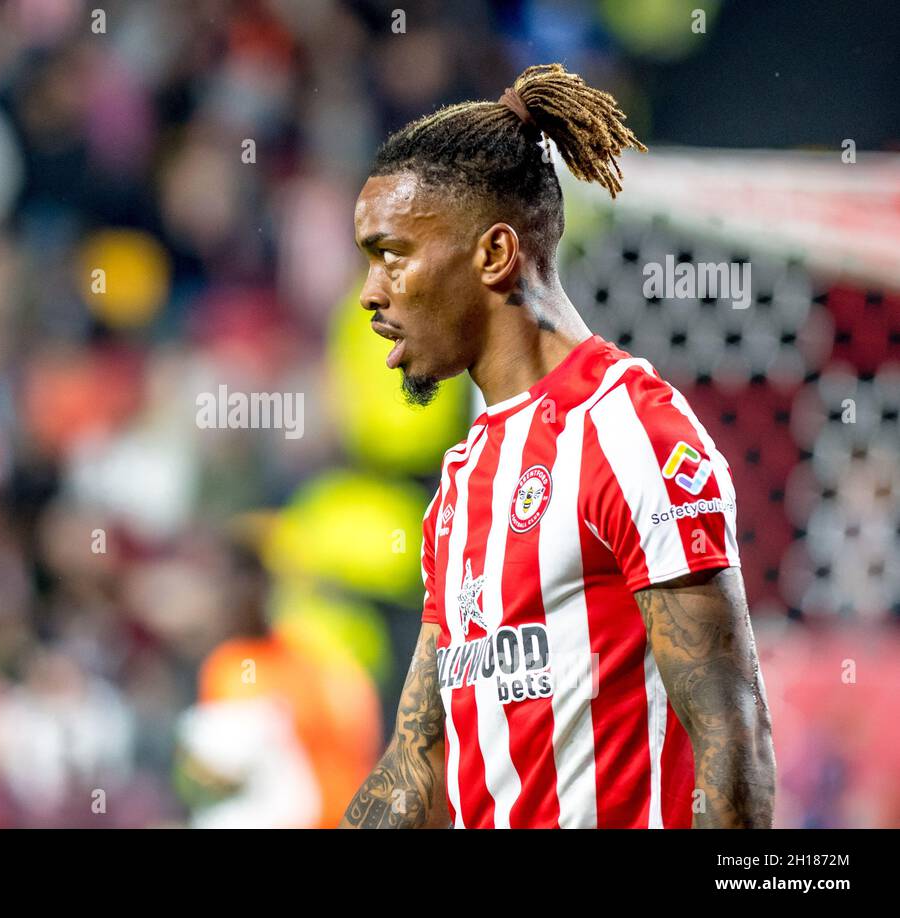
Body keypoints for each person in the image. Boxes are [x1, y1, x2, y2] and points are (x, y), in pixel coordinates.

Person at [340, 64, 775, 828]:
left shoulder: (633, 433)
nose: (372, 291)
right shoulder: (463, 482)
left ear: (494, 254)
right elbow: (418, 768)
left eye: (392, 253)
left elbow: (731, 742)